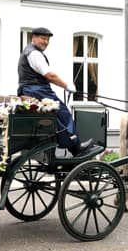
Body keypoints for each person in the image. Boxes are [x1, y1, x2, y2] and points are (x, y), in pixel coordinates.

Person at [18, 27, 94, 156]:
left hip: (31, 90)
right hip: (38, 91)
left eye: (47, 40)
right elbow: (49, 75)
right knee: (63, 113)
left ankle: (69, 144)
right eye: (43, 38)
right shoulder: (34, 53)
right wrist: (66, 85)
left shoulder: (28, 52)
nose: (45, 42)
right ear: (33, 38)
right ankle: (75, 146)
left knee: (58, 115)